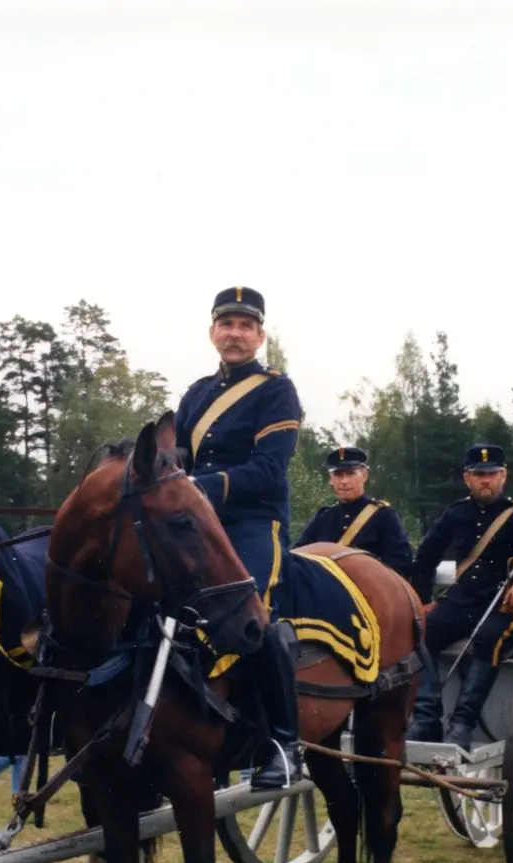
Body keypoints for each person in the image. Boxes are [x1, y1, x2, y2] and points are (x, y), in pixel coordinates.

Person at [175, 286, 303, 790]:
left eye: (245, 326)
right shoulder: (196, 394)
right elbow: (178, 458)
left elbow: (269, 469)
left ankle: (285, 745)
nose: (235, 333)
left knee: (254, 613)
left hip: (253, 521)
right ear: (212, 332)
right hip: (196, 525)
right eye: (226, 324)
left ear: (260, 335)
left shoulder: (276, 390)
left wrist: (197, 490)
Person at [407, 443, 513, 750]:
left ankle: (462, 724)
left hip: (503, 606)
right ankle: (426, 719)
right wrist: (419, 601)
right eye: (478, 474)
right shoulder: (455, 514)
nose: (484, 480)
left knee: (490, 637)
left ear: (503, 476)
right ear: (467, 478)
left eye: (491, 474)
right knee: (417, 633)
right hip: (461, 602)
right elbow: (425, 558)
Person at [294, 445, 413, 577]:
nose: (344, 481)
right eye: (338, 474)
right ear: (331, 479)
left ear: (364, 475)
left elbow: (400, 563)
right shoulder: (324, 517)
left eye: (351, 473)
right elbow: (298, 555)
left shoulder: (383, 516)